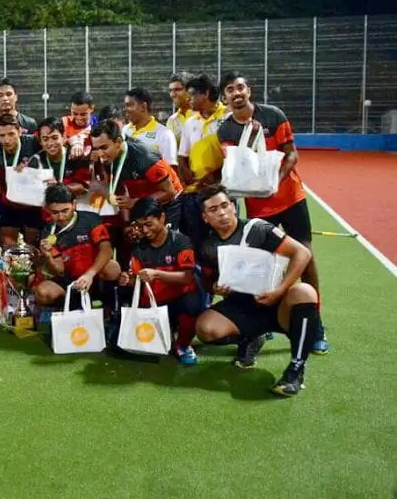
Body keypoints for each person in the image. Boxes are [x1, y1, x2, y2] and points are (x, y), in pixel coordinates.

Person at [215, 72, 328, 354]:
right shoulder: (225, 131)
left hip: (290, 198)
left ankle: (316, 325)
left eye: (240, 87)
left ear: (248, 90)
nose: (236, 93)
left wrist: (275, 180)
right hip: (258, 207)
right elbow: (238, 168)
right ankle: (263, 325)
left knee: (306, 259)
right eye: (230, 90)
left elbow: (291, 154)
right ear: (224, 98)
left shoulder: (273, 115)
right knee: (263, 266)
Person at [195, 185, 320, 397]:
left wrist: (280, 290)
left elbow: (302, 253)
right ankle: (251, 338)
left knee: (304, 292)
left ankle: (296, 369)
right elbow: (209, 283)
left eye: (225, 206)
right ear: (205, 217)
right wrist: (216, 287)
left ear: (234, 207)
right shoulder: (209, 246)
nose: (222, 213)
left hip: (275, 302)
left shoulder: (258, 229)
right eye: (214, 210)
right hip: (242, 305)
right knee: (205, 328)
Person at [118, 198, 205, 365]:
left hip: (180, 296)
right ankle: (167, 330)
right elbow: (136, 279)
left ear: (163, 218)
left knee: (192, 306)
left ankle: (183, 345)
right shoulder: (138, 248)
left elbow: (187, 277)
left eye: (149, 224)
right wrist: (127, 280)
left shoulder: (181, 241)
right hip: (154, 300)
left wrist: (156, 274)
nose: (144, 230)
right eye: (140, 225)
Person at [32, 184, 120, 312]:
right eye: (55, 212)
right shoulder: (48, 231)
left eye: (65, 210)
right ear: (47, 209)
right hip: (69, 282)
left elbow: (106, 250)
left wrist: (89, 274)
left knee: (113, 268)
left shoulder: (91, 220)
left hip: (93, 277)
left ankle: (109, 307)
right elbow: (60, 270)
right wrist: (48, 255)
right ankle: (69, 308)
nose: (61, 217)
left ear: (74, 204)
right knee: (42, 292)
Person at [89, 120, 183, 229]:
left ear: (118, 142)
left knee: (162, 242)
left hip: (167, 204)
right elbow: (119, 192)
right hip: (140, 202)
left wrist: (136, 202)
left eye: (104, 148)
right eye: (96, 148)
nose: (100, 154)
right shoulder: (107, 159)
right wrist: (127, 224)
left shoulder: (145, 157)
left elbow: (169, 192)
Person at [177, 73, 228, 248]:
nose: (188, 99)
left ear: (205, 94)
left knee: (224, 239)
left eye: (192, 95)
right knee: (196, 242)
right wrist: (184, 171)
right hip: (193, 193)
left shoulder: (228, 117)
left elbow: (235, 155)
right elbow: (182, 155)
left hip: (221, 191)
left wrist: (215, 177)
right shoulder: (191, 121)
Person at [0, 113, 43, 248]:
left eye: (11, 134)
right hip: (9, 206)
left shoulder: (33, 144)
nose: (6, 140)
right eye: (2, 135)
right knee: (7, 249)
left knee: (33, 249)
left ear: (20, 131)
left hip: (32, 205)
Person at [33, 117, 91, 200]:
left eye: (55, 138)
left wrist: (58, 186)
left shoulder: (76, 156)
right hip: (45, 208)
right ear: (40, 142)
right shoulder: (36, 160)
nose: (50, 143)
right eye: (45, 139)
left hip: (71, 208)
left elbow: (82, 188)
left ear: (63, 137)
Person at [122, 87, 179, 168]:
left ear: (143, 106)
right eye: (125, 106)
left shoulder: (164, 134)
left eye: (129, 105)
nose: (125, 109)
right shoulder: (125, 130)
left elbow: (171, 168)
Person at [63, 91, 97, 159]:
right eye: (75, 113)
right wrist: (74, 140)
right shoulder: (63, 122)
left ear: (92, 108)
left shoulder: (98, 124)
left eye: (83, 114)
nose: (79, 117)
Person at [166, 72, 193, 145]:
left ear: (190, 90)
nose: (172, 94)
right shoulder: (172, 121)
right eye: (170, 90)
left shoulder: (203, 115)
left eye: (177, 89)